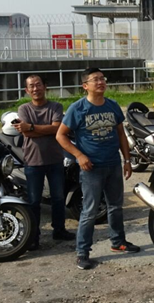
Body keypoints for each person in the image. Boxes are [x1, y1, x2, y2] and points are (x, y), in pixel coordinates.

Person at [57, 67, 139, 271]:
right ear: (85, 85)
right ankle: (82, 253)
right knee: (90, 211)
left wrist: (127, 160)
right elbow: (61, 135)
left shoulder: (112, 106)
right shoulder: (77, 108)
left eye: (103, 78)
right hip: (91, 168)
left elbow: (121, 134)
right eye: (95, 79)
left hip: (113, 164)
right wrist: (79, 155)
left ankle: (118, 242)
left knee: (115, 206)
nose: (101, 82)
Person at [15, 74, 73, 250]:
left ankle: (59, 230)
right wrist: (42, 129)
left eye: (38, 85)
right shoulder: (23, 109)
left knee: (58, 198)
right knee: (34, 201)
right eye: (31, 86)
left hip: (55, 160)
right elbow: (26, 133)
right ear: (27, 90)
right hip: (33, 162)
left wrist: (32, 127)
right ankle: (33, 236)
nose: (35, 89)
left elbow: (57, 129)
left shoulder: (56, 106)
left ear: (45, 86)